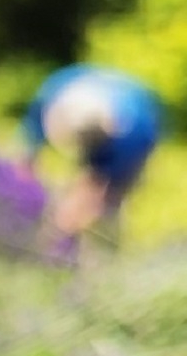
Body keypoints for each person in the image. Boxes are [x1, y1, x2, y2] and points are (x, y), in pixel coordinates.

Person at [21, 65, 162, 244]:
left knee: (109, 202)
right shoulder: (56, 90)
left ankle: (105, 248)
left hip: (137, 132)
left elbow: (96, 186)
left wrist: (61, 226)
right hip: (102, 110)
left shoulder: (134, 133)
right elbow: (29, 147)